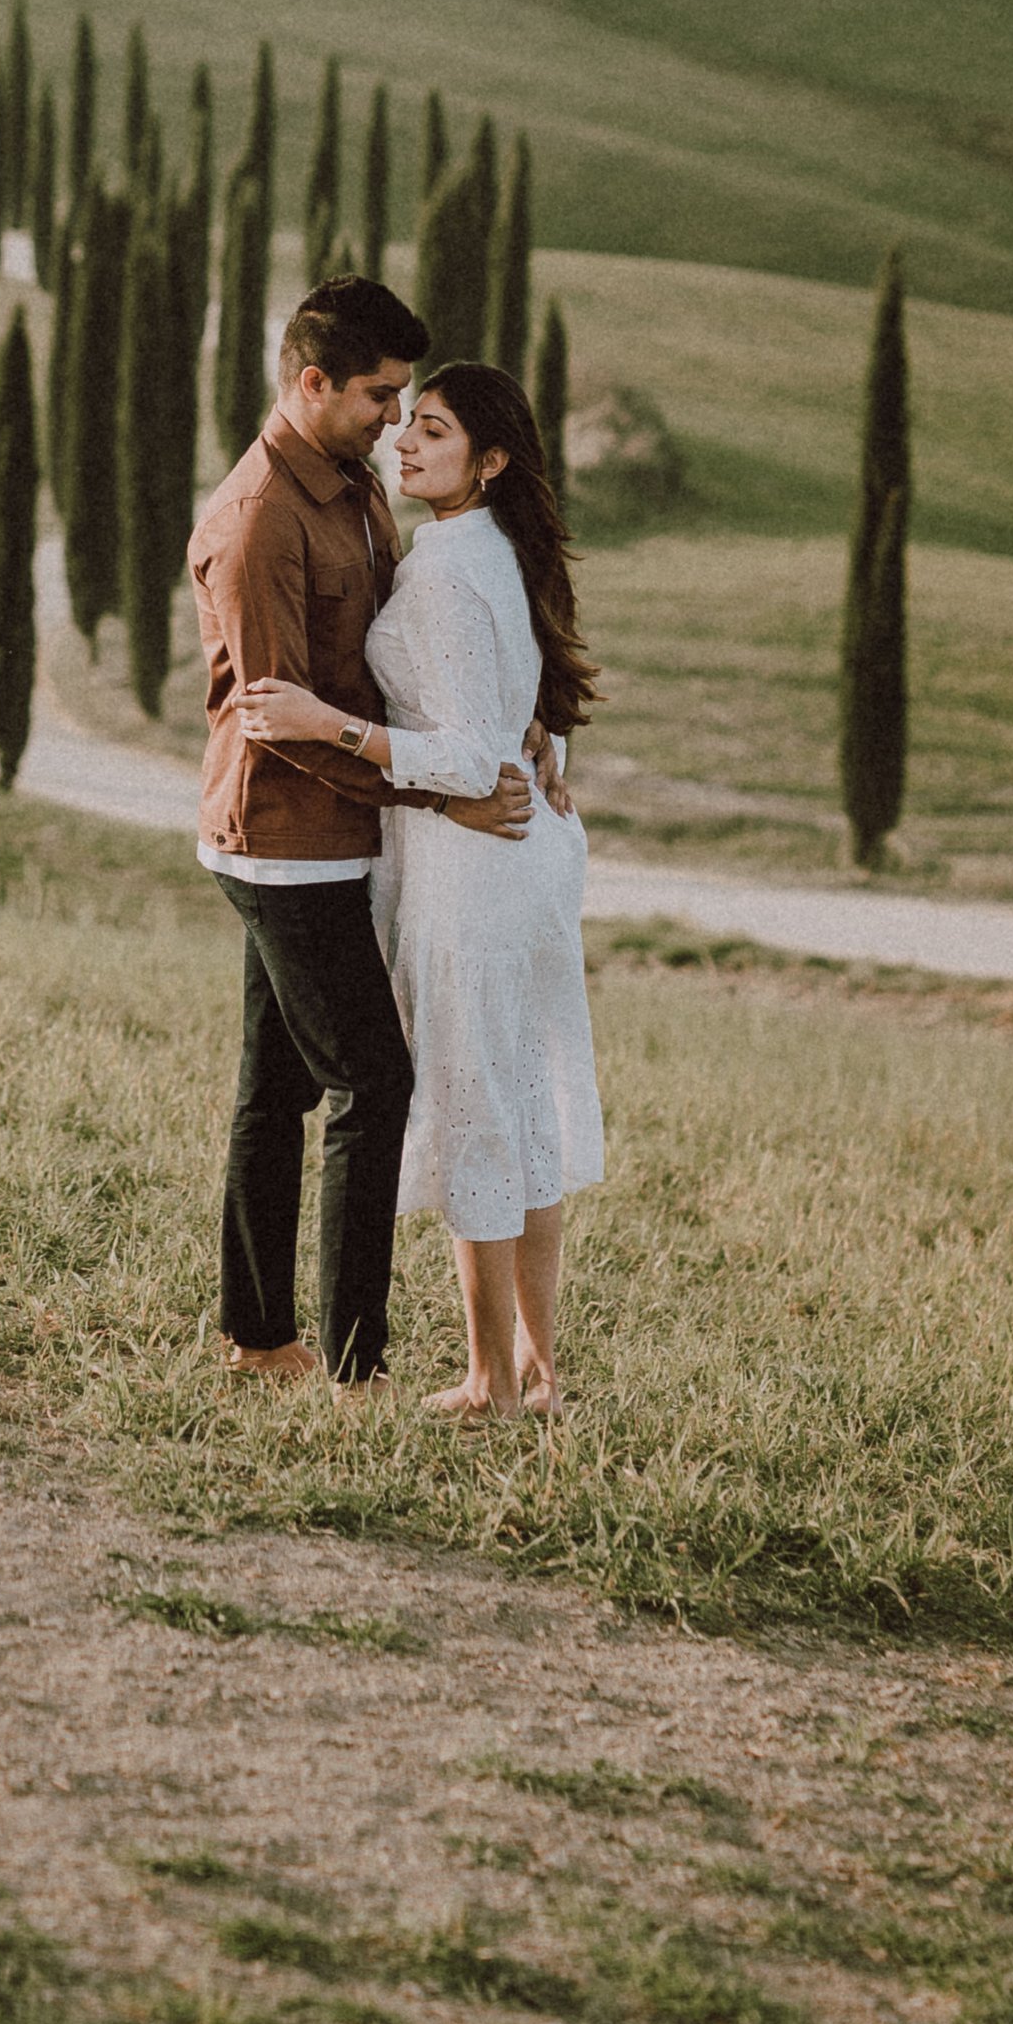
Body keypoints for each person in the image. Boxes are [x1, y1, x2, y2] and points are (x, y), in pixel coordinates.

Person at [189, 278, 537, 1391]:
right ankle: (354, 1365)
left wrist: (520, 728)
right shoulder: (256, 521)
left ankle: (259, 1339)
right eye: (380, 396)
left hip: (343, 833)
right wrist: (444, 796)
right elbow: (278, 723)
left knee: (274, 1086)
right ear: (311, 384)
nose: (395, 419)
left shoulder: (347, 485)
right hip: (284, 841)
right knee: (371, 1082)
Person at [238, 357, 601, 1418]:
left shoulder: (446, 567)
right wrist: (547, 738)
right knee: (519, 1106)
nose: (405, 441)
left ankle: (489, 1381)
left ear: (486, 462)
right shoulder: (497, 548)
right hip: (525, 868)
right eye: (408, 424)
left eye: (433, 431)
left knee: (475, 1107)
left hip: (475, 874)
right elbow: (526, 701)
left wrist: (327, 724)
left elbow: (466, 754)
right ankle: (539, 1371)